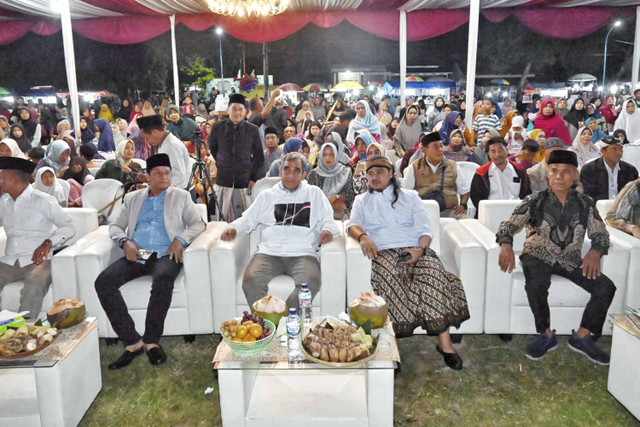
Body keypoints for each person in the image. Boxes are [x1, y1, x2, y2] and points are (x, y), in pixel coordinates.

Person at [346, 155, 469, 370]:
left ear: (391, 174)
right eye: (370, 173)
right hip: (384, 252)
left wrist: (419, 250)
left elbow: (425, 229)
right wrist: (363, 237)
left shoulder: (410, 197)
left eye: (380, 172)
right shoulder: (362, 200)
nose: (374, 177)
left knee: (433, 273)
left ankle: (445, 345)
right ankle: (394, 350)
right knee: (388, 276)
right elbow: (352, 225)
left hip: (415, 249)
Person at [496, 150, 615, 365]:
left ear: (574, 175)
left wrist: (596, 251)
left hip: (570, 259)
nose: (560, 176)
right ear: (547, 174)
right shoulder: (534, 201)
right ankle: (546, 334)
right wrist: (505, 243)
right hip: (537, 255)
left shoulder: (585, 203)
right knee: (536, 282)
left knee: (605, 287)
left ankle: (581, 336)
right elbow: (508, 225)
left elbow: (601, 234)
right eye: (554, 171)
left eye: (566, 172)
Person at [94, 154, 205, 369]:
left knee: (163, 278)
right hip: (139, 253)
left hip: (165, 253)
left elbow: (198, 223)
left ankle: (152, 341)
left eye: (167, 173)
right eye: (157, 173)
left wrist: (180, 240)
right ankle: (132, 342)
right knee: (103, 282)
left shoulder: (181, 196)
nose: (163, 177)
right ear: (148, 176)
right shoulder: (133, 198)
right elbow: (115, 226)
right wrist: (125, 242)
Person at [220, 152, 339, 310]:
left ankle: (285, 321)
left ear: (304, 174)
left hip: (302, 254)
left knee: (311, 282)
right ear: (280, 171)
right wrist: (232, 228)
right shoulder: (267, 196)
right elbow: (247, 219)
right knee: (250, 281)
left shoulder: (314, 194)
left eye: (296, 170)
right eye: (286, 169)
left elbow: (328, 220)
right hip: (269, 253)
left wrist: (327, 231)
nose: (290, 174)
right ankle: (267, 323)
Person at [0, 157, 75, 318]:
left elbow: (69, 226)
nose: (0, 181)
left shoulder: (43, 201)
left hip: (39, 260)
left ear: (14, 179)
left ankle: (24, 331)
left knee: (34, 284)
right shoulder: (3, 202)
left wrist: (48, 242)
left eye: (2, 178)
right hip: (10, 260)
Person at [208, 93, 264, 221]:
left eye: (240, 109)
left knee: (246, 219)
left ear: (246, 112)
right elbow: (214, 149)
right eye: (234, 109)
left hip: (245, 181)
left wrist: (253, 178)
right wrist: (223, 163)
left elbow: (259, 156)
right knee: (224, 218)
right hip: (224, 180)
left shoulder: (252, 130)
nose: (237, 112)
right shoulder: (218, 127)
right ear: (228, 110)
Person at [401, 132, 471, 219]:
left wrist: (463, 205)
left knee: (467, 223)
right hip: (422, 211)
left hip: (449, 211)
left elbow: (465, 190)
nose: (440, 149)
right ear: (424, 149)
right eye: (435, 146)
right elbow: (406, 191)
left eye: (441, 146)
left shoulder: (453, 166)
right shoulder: (415, 167)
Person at [470, 136, 531, 214]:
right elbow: (476, 197)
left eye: (501, 149)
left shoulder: (519, 170)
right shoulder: (482, 172)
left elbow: (527, 193)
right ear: (488, 154)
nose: (498, 154)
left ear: (506, 150)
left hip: (514, 213)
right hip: (490, 213)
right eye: (493, 151)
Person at [138, 115, 192, 191]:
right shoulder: (162, 144)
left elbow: (179, 177)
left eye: (147, 138)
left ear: (155, 132)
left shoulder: (172, 146)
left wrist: (154, 186)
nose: (148, 141)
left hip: (179, 193)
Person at [580, 135, 638, 202]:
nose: (619, 153)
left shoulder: (630, 170)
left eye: (621, 149)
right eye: (614, 149)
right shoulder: (589, 170)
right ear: (603, 151)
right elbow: (588, 197)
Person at [307, 142, 355, 220]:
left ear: (336, 155)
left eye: (331, 154)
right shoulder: (313, 173)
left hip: (341, 214)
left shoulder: (345, 172)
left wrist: (335, 197)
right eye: (325, 154)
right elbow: (310, 197)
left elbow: (349, 195)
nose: (328, 158)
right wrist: (330, 201)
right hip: (318, 215)